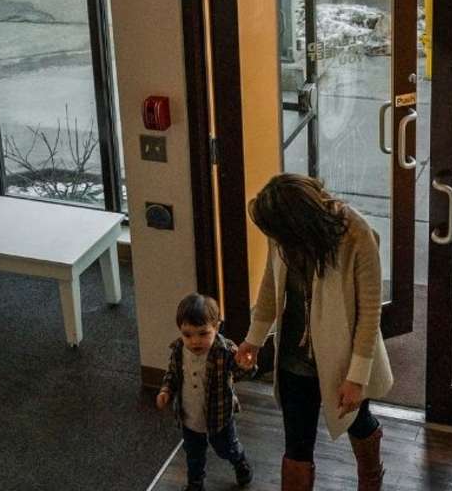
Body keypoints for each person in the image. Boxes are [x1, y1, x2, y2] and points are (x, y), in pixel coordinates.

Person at [235, 174, 394, 491]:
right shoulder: (280, 233)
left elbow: (370, 313)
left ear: (300, 224)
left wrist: (357, 377)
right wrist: (253, 339)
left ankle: (371, 477)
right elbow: (270, 287)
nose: (279, 242)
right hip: (294, 357)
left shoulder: (357, 234)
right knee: (296, 443)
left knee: (357, 423)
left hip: (343, 357)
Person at [157, 294, 255, 491]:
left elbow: (241, 371)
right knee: (193, 453)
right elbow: (173, 374)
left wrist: (246, 365)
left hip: (219, 417)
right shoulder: (178, 350)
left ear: (216, 327)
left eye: (203, 334)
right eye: (188, 334)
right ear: (180, 331)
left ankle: (240, 462)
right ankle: (195, 483)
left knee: (226, 448)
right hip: (190, 417)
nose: (195, 341)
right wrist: (165, 391)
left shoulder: (224, 350)